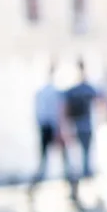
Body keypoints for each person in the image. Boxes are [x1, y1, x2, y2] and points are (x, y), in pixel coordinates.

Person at [28, 64, 74, 200]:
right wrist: (60, 131)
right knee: (66, 161)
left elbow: (38, 114)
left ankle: (32, 189)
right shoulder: (56, 92)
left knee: (44, 162)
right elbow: (59, 113)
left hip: (44, 128)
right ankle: (72, 191)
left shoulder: (40, 92)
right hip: (54, 128)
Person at [62, 59, 103, 185]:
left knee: (77, 155)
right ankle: (84, 176)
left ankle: (79, 177)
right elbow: (100, 100)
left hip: (76, 125)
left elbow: (64, 108)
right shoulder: (87, 88)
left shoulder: (72, 90)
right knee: (84, 153)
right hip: (85, 125)